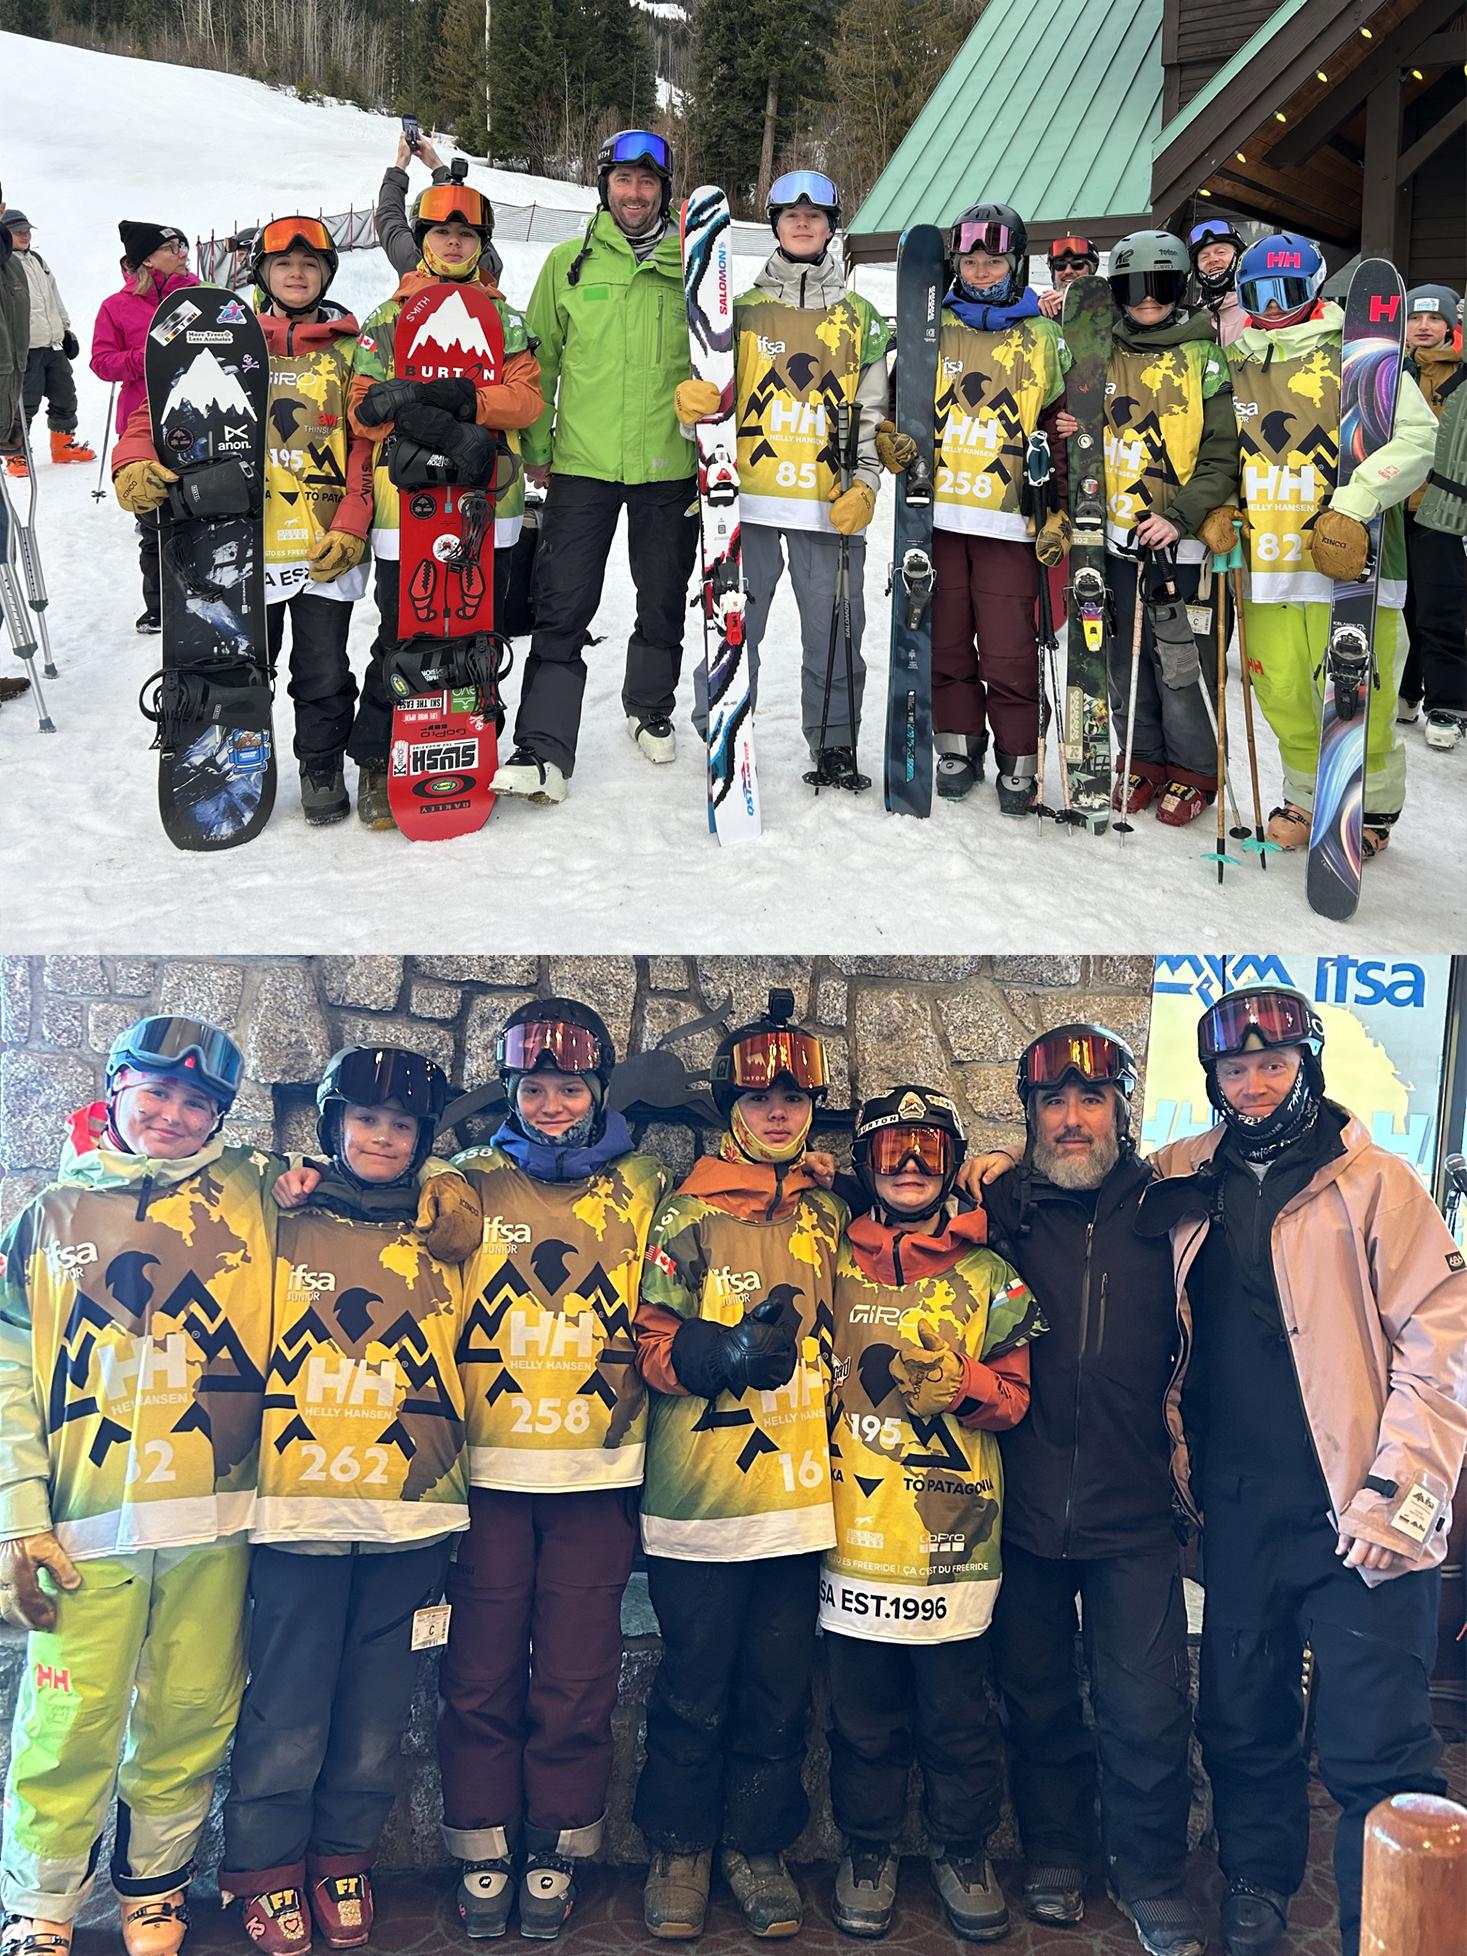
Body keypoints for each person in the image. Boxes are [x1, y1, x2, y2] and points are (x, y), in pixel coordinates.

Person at [1134, 984, 1467, 1956]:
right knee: (1244, 1718)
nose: (1255, 1084)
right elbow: (1087, 1191)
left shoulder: (1378, 1185)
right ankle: (1256, 1887)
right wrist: (993, 1170)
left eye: (1273, 1064)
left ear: (1306, 1065)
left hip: (1359, 1505)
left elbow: (1444, 1348)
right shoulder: (1182, 1173)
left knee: (1377, 1744)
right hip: (1239, 1505)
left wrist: (1400, 1493)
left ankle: (1391, 1928)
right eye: (1236, 1069)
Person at [0, 1017, 274, 1956]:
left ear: (220, 1118)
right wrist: (18, 1514)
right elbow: (8, 1374)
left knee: (189, 1714)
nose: (172, 1114)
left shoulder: (255, 1193)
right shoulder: (46, 1218)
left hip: (213, 1520)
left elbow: (353, 1187)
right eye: (156, 1091)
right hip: (87, 1522)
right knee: (68, 1718)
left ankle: (155, 1889)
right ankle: (41, 1904)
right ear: (115, 1088)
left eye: (197, 1102)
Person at [217, 1046, 478, 1956]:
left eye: (402, 1126)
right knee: (286, 1704)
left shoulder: (447, 1225)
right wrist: (279, 1182)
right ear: (332, 1126)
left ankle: (343, 1858)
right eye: (365, 1120)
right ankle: (262, 1866)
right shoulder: (281, 1214)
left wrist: (449, 1179)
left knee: (376, 1709)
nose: (382, 1138)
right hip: (299, 1503)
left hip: (414, 1505)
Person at [960, 1027, 1205, 1956]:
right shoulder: (1000, 1206)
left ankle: (1150, 1875)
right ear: (1028, 1116)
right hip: (1019, 1507)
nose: (1070, 1120)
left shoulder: (1171, 1211)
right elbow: (900, 1213)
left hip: (1135, 1509)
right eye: (1051, 1103)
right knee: (1035, 1698)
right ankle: (1056, 1851)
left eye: (1089, 1101)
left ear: (1120, 1112)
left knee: (1146, 1708)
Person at [439, 1001, 669, 1941]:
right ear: (509, 1092)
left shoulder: (645, 1183)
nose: (550, 1106)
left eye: (569, 1088)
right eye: (532, 1088)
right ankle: (481, 1843)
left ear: (598, 1091)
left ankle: (560, 1845)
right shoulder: (464, 1181)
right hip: (487, 1471)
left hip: (597, 1470)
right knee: (479, 1673)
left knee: (577, 1676)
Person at [633, 995, 846, 1940]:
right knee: (693, 1686)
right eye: (760, 1098)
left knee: (777, 1690)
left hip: (799, 1504)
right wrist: (718, 1353)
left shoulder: (829, 1213)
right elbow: (647, 1343)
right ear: (730, 1106)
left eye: (794, 1100)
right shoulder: (687, 1213)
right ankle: (679, 1848)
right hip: (699, 1502)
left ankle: (757, 1849)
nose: (778, 1113)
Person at [822, 1087, 1043, 1944]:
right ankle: (867, 1849)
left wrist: (967, 1385)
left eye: (927, 1151)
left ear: (951, 1165)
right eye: (891, 1150)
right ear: (865, 1165)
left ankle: (961, 1850)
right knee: (861, 1716)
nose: (910, 1166)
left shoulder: (989, 1273)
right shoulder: (831, 1259)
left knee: (958, 1717)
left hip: (952, 1544)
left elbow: (1016, 1400)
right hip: (850, 1537)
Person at [112, 219, 373, 826]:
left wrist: (354, 520)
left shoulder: (351, 350)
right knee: (238, 666)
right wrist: (133, 458)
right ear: (262, 274)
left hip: (321, 541)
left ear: (327, 275)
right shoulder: (226, 339)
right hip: (239, 542)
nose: (297, 274)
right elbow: (161, 409)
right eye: (284, 265)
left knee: (323, 669)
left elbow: (366, 442)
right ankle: (228, 760)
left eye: (310, 265)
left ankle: (321, 766)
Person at [492, 131, 697, 806]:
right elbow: (539, 360)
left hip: (668, 462)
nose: (635, 194)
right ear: (605, 186)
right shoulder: (568, 264)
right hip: (581, 463)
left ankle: (649, 706)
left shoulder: (693, 265)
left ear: (664, 190)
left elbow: (720, 358)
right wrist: (537, 448)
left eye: (647, 182)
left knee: (662, 596)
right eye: (624, 180)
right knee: (562, 603)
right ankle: (543, 749)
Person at [1224, 231, 1437, 856]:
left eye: (1286, 290)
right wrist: (1220, 507)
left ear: (1314, 288)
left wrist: (1356, 502)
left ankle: (1371, 806)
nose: (1273, 305)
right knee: (1281, 688)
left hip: (1350, 558)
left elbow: (1416, 440)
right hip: (1267, 559)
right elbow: (1218, 446)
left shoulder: (1361, 356)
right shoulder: (1237, 362)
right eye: (1258, 293)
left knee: (1359, 692)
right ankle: (1304, 793)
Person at [677, 171, 890, 790]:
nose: (802, 223)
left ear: (831, 227)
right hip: (745, 505)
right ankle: (719, 722)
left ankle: (835, 741)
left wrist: (867, 484)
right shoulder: (739, 311)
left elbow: (873, 414)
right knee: (733, 627)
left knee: (836, 632)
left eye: (815, 215)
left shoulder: (860, 318)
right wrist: (692, 413)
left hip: (828, 505)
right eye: (791, 215)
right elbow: (712, 407)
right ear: (774, 225)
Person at [348, 184, 542, 829]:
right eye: (441, 233)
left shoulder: (507, 320)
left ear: (482, 244)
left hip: (489, 501)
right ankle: (379, 758)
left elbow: (527, 401)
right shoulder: (386, 318)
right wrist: (403, 410)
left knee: (479, 632)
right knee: (401, 633)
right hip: (407, 506)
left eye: (467, 235)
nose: (454, 243)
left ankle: (472, 743)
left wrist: (466, 403)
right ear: (422, 240)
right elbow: (362, 411)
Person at [880, 203, 1070, 810]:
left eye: (994, 260)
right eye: (970, 261)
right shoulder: (931, 325)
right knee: (947, 639)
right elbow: (900, 404)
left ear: (1017, 264)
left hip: (1010, 518)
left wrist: (1060, 508)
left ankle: (1018, 756)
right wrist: (890, 436)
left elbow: (1062, 426)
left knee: (1009, 645)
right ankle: (957, 744)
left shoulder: (1044, 335)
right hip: (935, 515)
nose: (981, 271)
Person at [1056, 229, 1240, 826]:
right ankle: (1142, 757)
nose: (1147, 300)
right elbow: (1081, 417)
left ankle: (1194, 769)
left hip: (1176, 541)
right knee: (1120, 656)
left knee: (1180, 661)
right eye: (1134, 288)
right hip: (1110, 537)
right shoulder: (1098, 350)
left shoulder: (1205, 355)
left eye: (1159, 285)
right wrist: (1071, 427)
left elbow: (1222, 452)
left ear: (1180, 287)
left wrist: (1180, 516)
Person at [91, 222, 197, 632]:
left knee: (201, 509)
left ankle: (201, 594)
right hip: (143, 424)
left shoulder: (197, 296)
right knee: (154, 520)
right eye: (172, 248)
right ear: (148, 259)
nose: (183, 253)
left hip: (198, 414)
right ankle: (159, 606)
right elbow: (102, 363)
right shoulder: (116, 307)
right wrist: (146, 356)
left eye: (182, 245)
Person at [1397, 283, 1465, 751]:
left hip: (1444, 509)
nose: (1424, 327)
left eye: (1434, 319)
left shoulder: (1462, 374)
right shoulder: (1391, 368)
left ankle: (1449, 704)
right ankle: (1407, 692)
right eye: (1415, 318)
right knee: (1400, 607)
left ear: (1450, 326)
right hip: (1394, 504)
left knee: (1441, 608)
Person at [0, 209, 93, 472]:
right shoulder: (5, 265)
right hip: (25, 349)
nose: (25, 235)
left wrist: (65, 329)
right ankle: (15, 454)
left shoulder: (38, 260)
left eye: (27, 230)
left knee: (65, 395)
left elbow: (53, 296)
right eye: (18, 232)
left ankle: (62, 445)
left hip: (52, 345)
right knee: (23, 403)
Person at [1185, 218, 1246, 347]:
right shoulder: (1190, 319)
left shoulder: (1260, 312)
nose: (1213, 259)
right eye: (1204, 257)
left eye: (1221, 252)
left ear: (1238, 255)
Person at [1038, 236, 1099, 319]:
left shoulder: (1109, 305)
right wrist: (1035, 310)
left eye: (1077, 264)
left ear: (1091, 271)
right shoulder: (1039, 307)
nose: (1068, 271)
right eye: (1060, 265)